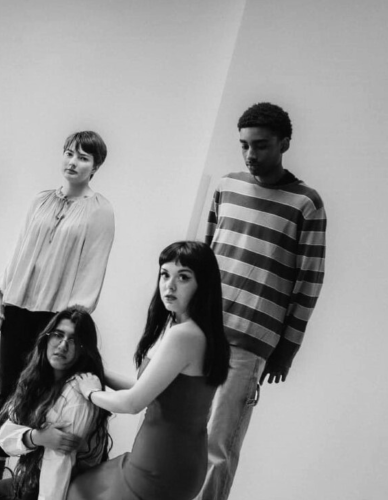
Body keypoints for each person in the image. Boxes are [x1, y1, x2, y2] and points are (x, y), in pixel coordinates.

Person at [197, 102, 326, 500]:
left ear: (284, 143)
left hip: (250, 343)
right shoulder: (227, 186)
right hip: (200, 331)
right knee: (180, 431)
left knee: (218, 446)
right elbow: (203, 257)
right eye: (244, 145)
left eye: (261, 145)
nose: (250, 154)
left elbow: (309, 280)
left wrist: (287, 349)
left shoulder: (306, 204)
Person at [0, 130, 115, 482]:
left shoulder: (100, 211)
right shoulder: (39, 200)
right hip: (18, 306)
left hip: (55, 320)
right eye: (69, 153)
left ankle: (28, 479)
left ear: (95, 167)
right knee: (7, 392)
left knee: (45, 396)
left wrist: (71, 322)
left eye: (83, 157)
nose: (73, 162)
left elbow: (94, 265)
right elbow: (18, 250)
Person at [67, 241, 231, 500]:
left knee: (77, 491)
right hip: (177, 459)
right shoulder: (198, 332)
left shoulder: (184, 335)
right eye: (165, 275)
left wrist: (90, 392)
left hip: (161, 465)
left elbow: (132, 403)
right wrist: (99, 371)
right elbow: (151, 391)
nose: (170, 285)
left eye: (183, 277)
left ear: (203, 284)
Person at [0, 306, 113, 500]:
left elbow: (59, 464)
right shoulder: (37, 382)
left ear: (84, 349)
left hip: (56, 491)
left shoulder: (78, 390)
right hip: (29, 481)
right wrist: (36, 437)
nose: (62, 345)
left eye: (74, 340)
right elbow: (5, 436)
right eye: (58, 335)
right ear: (46, 338)